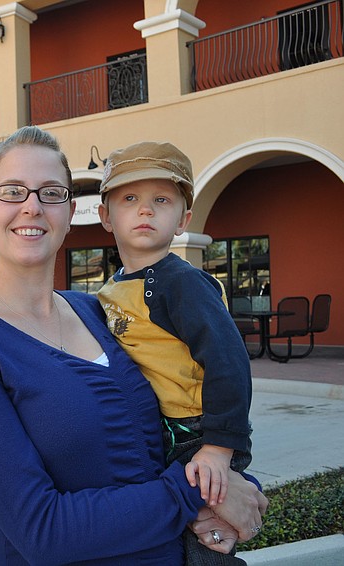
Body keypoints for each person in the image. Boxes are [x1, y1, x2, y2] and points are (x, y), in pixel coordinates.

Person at [0, 126, 267, 565]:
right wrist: (198, 489)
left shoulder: (100, 310)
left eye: (51, 192)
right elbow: (42, 531)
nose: (31, 206)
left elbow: (186, 412)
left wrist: (235, 484)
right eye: (12, 191)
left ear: (70, 212)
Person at [96, 142, 253, 563]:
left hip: (198, 432)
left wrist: (219, 447)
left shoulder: (181, 283)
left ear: (183, 219)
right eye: (130, 199)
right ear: (105, 216)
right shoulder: (110, 289)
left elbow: (228, 361)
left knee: (207, 534)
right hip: (158, 430)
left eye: (161, 200)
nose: (145, 210)